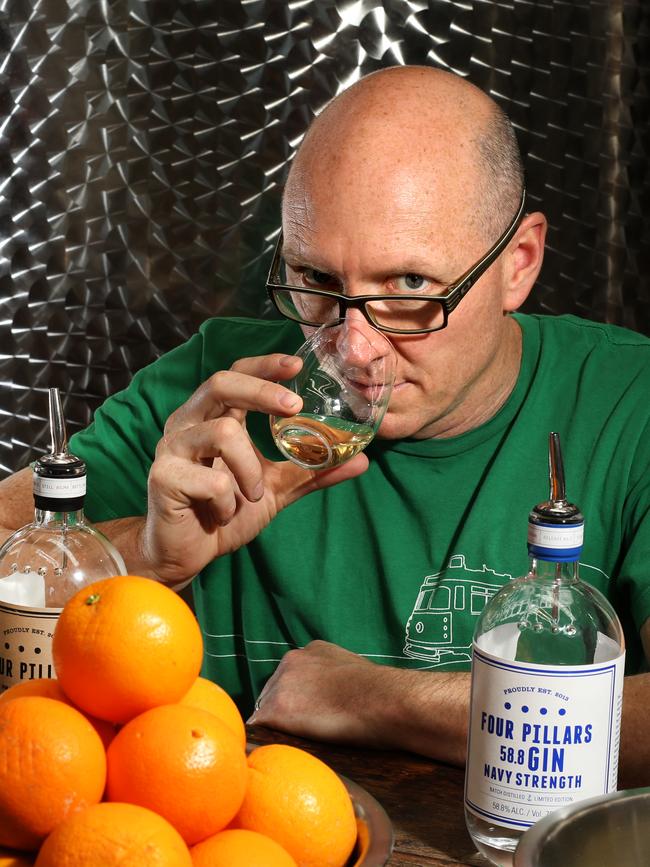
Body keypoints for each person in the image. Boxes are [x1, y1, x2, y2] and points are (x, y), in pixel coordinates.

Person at [1, 66, 649, 785]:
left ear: (518, 264)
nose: (356, 348)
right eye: (317, 281)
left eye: (408, 287)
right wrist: (143, 558)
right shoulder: (217, 390)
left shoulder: (628, 402)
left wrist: (380, 700)